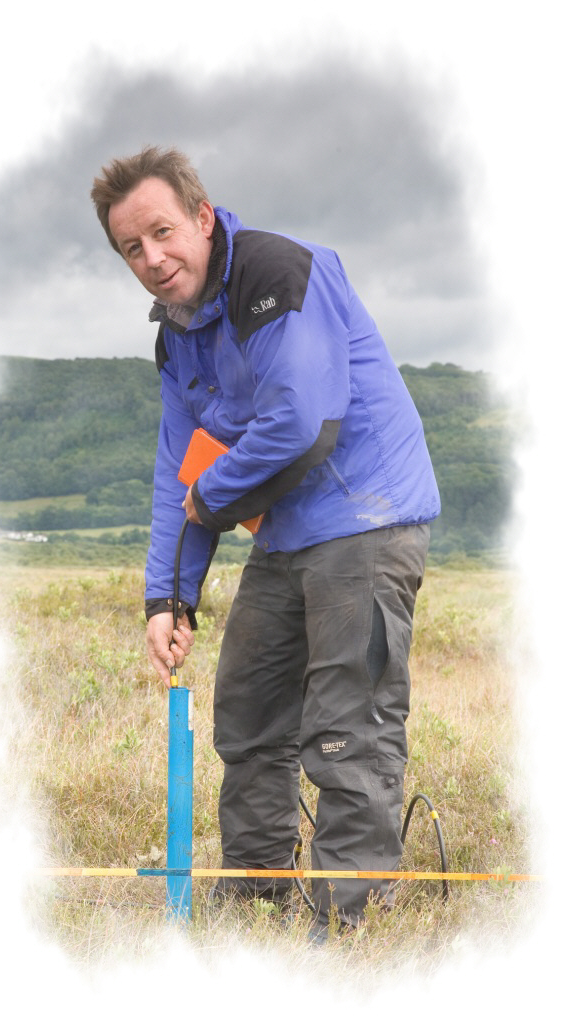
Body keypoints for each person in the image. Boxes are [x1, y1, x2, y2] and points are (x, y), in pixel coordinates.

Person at [91, 146, 441, 942]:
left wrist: (208, 499)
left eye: (163, 232)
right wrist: (167, 596)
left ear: (203, 218)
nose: (152, 258)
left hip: (367, 515)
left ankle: (349, 928)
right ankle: (256, 895)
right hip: (287, 533)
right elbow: (177, 473)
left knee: (346, 725)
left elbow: (302, 423)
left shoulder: (276, 275)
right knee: (247, 713)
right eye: (131, 247)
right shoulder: (179, 337)